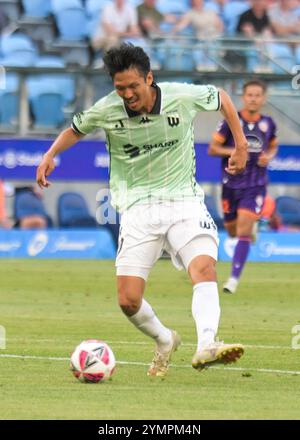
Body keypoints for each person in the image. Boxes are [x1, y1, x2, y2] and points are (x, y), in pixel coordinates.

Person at [36, 43, 247, 377]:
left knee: (203, 268)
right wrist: (50, 155)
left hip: (184, 202)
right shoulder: (107, 109)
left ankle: (207, 342)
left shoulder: (180, 96)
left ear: (149, 78)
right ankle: (165, 339)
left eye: (134, 86)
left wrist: (241, 142)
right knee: (128, 300)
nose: (128, 94)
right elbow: (75, 129)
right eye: (120, 88)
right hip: (137, 209)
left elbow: (221, 96)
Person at [209, 79, 278, 294]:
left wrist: (268, 156)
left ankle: (233, 280)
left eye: (258, 95)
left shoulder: (269, 124)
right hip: (231, 184)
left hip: (255, 185)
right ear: (243, 97)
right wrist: (237, 151)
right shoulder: (231, 120)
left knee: (243, 230)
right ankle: (249, 230)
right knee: (231, 230)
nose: (253, 99)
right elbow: (212, 149)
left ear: (263, 99)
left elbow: (273, 147)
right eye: (250, 95)